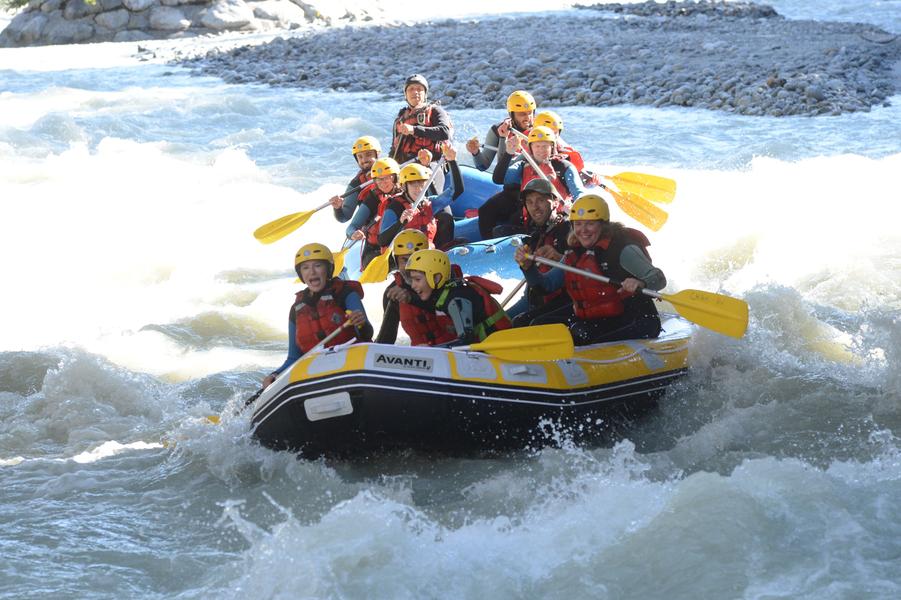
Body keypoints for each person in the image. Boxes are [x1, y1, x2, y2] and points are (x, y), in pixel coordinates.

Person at [513, 194, 666, 345]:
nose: (583, 230)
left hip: (636, 319)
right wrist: (528, 267)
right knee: (535, 324)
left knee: (582, 334)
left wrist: (641, 283)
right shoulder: (575, 252)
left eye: (590, 224)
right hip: (598, 316)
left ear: (603, 225)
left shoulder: (622, 248)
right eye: (578, 224)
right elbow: (546, 286)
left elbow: (659, 278)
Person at [261, 243, 372, 388]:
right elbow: (294, 358)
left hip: (353, 365)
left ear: (328, 269)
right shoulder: (296, 309)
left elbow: (367, 334)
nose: (312, 272)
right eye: (305, 268)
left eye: (318, 266)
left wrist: (361, 323)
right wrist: (275, 375)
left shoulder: (346, 294)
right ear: (301, 274)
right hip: (319, 375)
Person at [404, 249, 511, 346]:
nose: (413, 286)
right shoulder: (446, 294)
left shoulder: (456, 299)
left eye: (417, 280)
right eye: (412, 280)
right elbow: (434, 307)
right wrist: (410, 299)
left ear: (436, 278)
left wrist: (432, 349)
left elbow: (466, 341)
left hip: (502, 347)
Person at [472, 90, 537, 239]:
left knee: (516, 219)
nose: (527, 118)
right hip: (511, 191)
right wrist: (475, 153)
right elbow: (485, 167)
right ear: (512, 114)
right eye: (522, 114)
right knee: (485, 211)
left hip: (532, 190)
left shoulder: (539, 132)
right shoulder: (498, 130)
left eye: (530, 113)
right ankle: (489, 247)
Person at [505, 178, 571, 323]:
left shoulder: (569, 230)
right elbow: (534, 286)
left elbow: (580, 267)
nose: (534, 207)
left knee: (521, 322)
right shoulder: (535, 236)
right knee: (497, 323)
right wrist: (526, 266)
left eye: (540, 200)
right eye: (529, 202)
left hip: (563, 304)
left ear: (554, 202)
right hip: (535, 300)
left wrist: (558, 257)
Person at [374, 229, 455, 345]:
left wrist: (411, 298)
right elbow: (386, 339)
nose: (410, 266)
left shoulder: (443, 277)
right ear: (397, 263)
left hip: (456, 348)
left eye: (417, 259)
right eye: (405, 260)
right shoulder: (393, 293)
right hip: (421, 354)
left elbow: (450, 310)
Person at [378, 142, 462, 250]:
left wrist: (452, 161)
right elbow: (382, 240)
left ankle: (444, 251)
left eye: (421, 183)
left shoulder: (429, 203)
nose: (418, 188)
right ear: (404, 186)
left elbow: (456, 191)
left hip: (427, 253)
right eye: (413, 184)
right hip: (406, 255)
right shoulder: (395, 208)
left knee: (446, 218)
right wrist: (400, 222)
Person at [391, 74, 453, 193]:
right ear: (405, 95)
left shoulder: (436, 111)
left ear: (425, 94)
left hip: (433, 162)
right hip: (407, 165)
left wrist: (414, 130)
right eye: (411, 89)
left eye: (419, 89)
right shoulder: (400, 120)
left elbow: (445, 132)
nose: (415, 92)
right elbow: (394, 150)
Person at [494, 125, 586, 203]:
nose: (541, 150)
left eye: (545, 146)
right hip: (530, 215)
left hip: (559, 214)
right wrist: (508, 153)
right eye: (537, 146)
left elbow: (579, 194)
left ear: (552, 147)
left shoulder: (564, 167)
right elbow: (498, 179)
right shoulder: (522, 166)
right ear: (531, 148)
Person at [344, 157, 404, 268]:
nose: (383, 183)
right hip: (375, 250)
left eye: (387, 178)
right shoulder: (372, 199)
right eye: (379, 179)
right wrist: (353, 234)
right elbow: (351, 227)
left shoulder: (407, 194)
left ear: (395, 177)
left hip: (402, 247)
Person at [329, 135, 381, 223]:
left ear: (377, 154)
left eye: (368, 154)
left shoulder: (393, 170)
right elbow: (344, 217)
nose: (364, 160)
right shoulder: (356, 184)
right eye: (360, 157)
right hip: (373, 224)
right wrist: (338, 208)